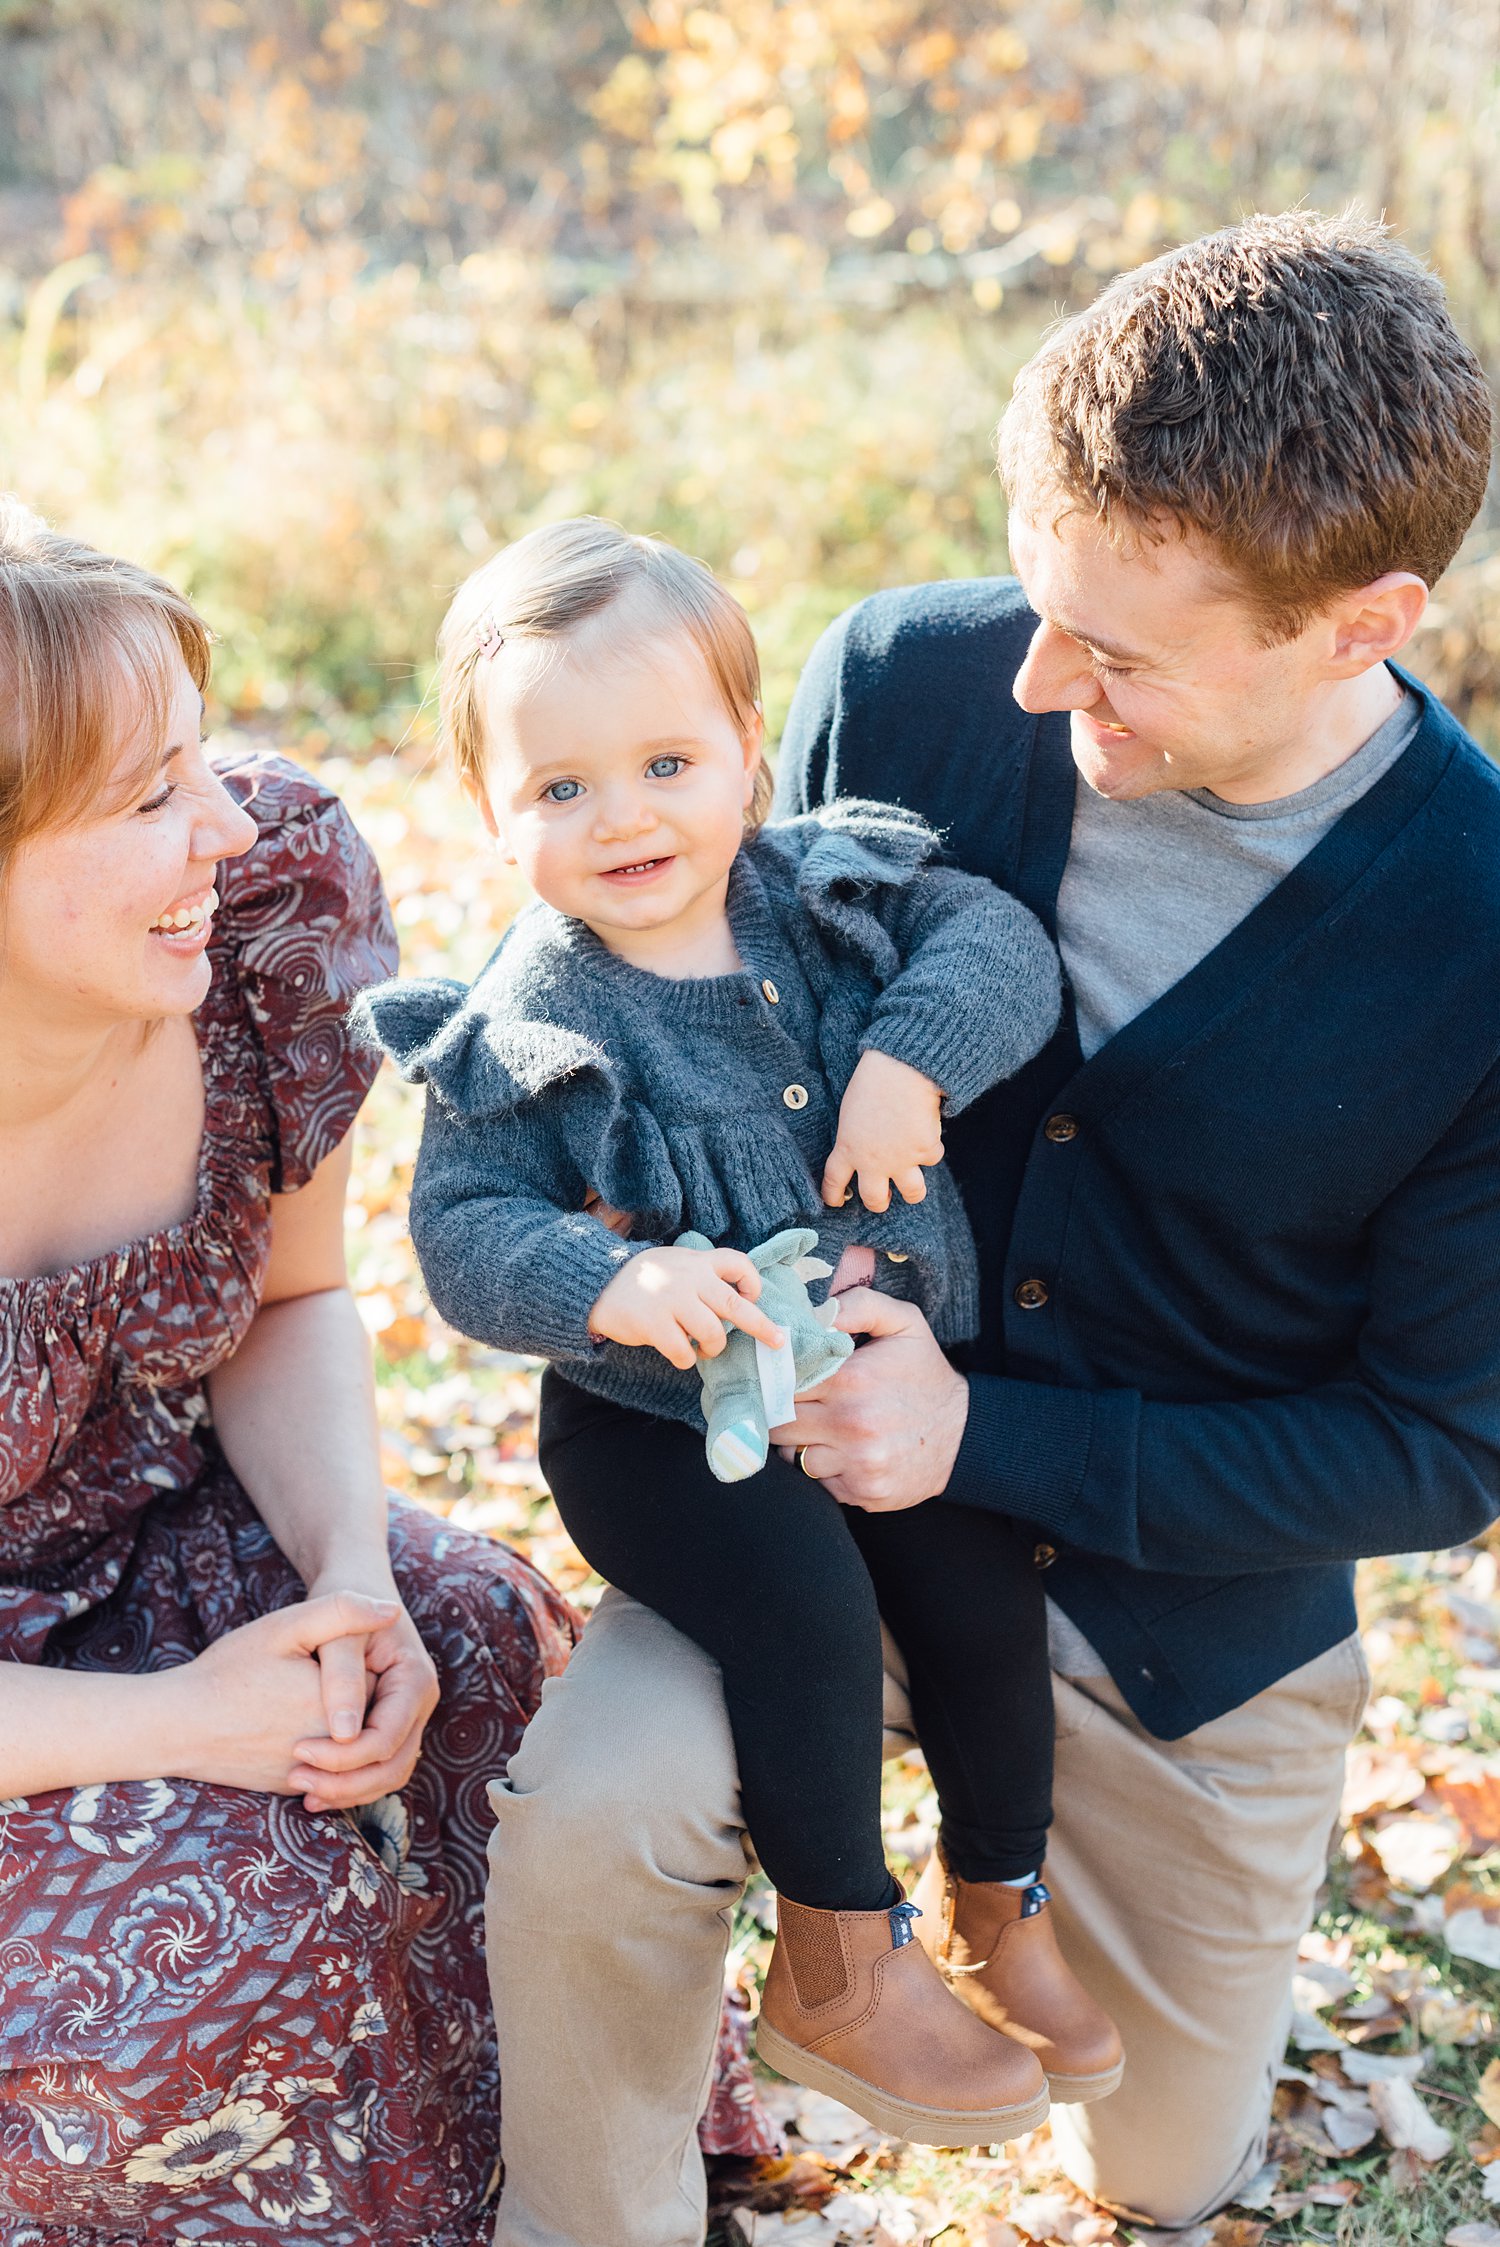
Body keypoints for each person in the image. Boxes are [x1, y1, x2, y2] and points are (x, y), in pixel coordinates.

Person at [481, 209, 1500, 2247]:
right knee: (591, 1825)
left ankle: (1083, 1944)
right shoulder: (903, 682)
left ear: (1362, 623)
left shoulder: (1478, 937)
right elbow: (680, 976)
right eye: (1041, 603)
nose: (1039, 682)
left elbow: (1446, 1447)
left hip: (1179, 1596)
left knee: (1163, 2153)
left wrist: (984, 1439)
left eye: (1115, 652)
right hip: (800, 1509)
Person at [0, 498, 769, 2246]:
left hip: (167, 1523)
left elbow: (288, 1300)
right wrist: (188, 1719)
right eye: (145, 800)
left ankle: (580, 2194)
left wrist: (350, 1578)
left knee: (484, 1657)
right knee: (200, 1935)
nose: (222, 824)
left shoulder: (263, 901)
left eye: (201, 760)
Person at [363, 517, 1126, 2152]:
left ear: (745, 754)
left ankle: (1003, 1897)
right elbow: (460, 1234)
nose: (624, 815)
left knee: (984, 1589)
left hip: (881, 1392)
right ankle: (839, 1963)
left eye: (664, 761)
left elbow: (996, 946)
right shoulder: (528, 1024)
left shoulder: (829, 898)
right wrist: (604, 1279)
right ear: (493, 813)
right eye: (561, 789)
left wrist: (908, 1062)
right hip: (660, 1436)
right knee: (804, 1607)